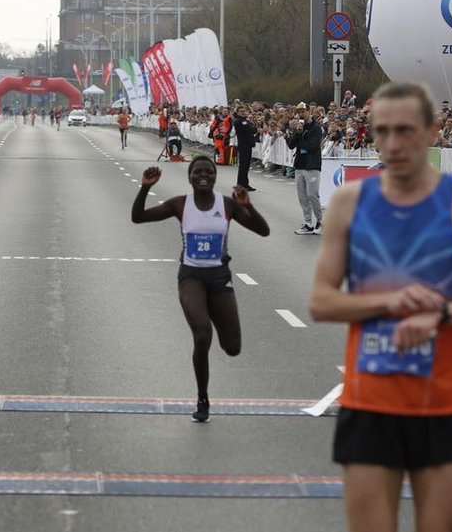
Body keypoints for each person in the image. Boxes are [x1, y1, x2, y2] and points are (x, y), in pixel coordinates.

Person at [309, 81, 452, 532]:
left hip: (443, 404)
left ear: (433, 132)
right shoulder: (348, 202)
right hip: (369, 403)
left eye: (405, 130)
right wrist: (388, 300)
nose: (393, 144)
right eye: (382, 131)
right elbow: (321, 301)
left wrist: (440, 315)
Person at [131, 156, 269, 422]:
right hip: (191, 276)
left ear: (215, 177)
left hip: (219, 278)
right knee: (202, 334)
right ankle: (203, 398)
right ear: (190, 177)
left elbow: (263, 231)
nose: (203, 176)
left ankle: (219, 332)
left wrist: (248, 207)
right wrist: (145, 187)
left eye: (209, 172)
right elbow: (138, 218)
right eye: (198, 172)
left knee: (232, 348)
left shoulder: (227, 205)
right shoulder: (180, 204)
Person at [286, 103, 324, 235]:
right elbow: (291, 145)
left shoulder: (316, 128)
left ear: (309, 112)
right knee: (302, 197)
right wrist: (297, 132)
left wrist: (301, 141)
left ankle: (321, 221)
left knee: (312, 195)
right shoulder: (299, 128)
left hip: (312, 165)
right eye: (299, 112)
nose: (301, 114)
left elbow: (312, 146)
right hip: (300, 165)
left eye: (303, 111)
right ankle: (308, 223)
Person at [232, 104, 259, 191]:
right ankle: (241, 184)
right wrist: (251, 126)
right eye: (241, 111)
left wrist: (251, 126)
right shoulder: (239, 121)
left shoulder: (245, 121)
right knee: (243, 166)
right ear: (238, 113)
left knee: (246, 166)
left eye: (244, 111)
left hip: (247, 145)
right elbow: (251, 129)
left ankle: (244, 184)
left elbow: (254, 129)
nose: (243, 113)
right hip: (243, 146)